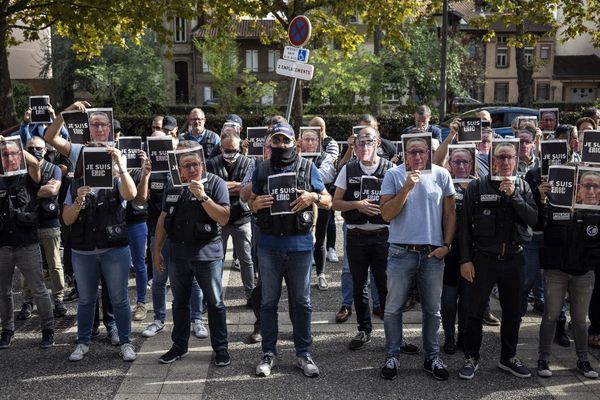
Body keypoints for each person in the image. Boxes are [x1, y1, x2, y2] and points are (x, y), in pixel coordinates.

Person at [248, 123, 331, 378]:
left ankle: (304, 353)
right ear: (269, 144)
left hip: (300, 246)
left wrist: (313, 198)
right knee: (268, 302)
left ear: (294, 142)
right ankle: (268, 353)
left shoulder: (308, 167)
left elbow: (329, 199)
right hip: (269, 246)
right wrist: (255, 203)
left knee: (302, 302)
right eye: (276, 141)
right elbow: (249, 200)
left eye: (285, 141)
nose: (281, 145)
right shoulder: (261, 169)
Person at [379, 132, 456, 381]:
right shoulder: (393, 174)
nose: (418, 156)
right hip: (401, 251)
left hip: (432, 253)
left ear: (429, 152)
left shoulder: (442, 174)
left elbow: (450, 213)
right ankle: (392, 355)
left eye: (422, 151)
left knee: (433, 311)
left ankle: (432, 356)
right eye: (412, 152)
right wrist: (406, 188)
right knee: (393, 308)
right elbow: (386, 214)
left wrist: (447, 244)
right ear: (405, 153)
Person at [458, 141, 538, 380]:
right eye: (500, 157)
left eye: (510, 158)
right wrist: (465, 260)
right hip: (483, 258)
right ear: (492, 159)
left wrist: (515, 196)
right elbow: (463, 229)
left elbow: (533, 219)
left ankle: (508, 357)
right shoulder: (477, 187)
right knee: (474, 311)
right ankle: (471, 357)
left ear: (515, 161)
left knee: (513, 312)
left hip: (514, 259)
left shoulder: (522, 186)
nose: (505, 162)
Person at [153, 141, 231, 367]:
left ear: (203, 163)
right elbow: (163, 220)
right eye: (186, 166)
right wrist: (157, 250)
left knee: (215, 303)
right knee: (179, 303)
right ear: (178, 168)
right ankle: (179, 346)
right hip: (179, 254)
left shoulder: (215, 183)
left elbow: (224, 217)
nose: (192, 170)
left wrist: (203, 197)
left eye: (195, 164)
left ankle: (221, 348)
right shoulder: (172, 185)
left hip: (208, 255)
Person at [63, 144, 138, 362]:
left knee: (119, 299)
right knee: (86, 299)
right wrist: (78, 201)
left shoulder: (115, 181)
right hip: (83, 251)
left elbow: (131, 194)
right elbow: (67, 219)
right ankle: (83, 342)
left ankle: (126, 342)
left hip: (114, 250)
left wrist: (121, 167)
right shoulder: (75, 185)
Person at [142, 131, 205, 339]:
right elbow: (145, 203)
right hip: (160, 234)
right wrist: (146, 175)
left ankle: (197, 319)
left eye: (186, 155)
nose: (183, 159)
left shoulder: (201, 176)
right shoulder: (160, 174)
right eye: (178, 154)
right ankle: (159, 319)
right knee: (159, 278)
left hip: (188, 238)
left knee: (193, 279)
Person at [333, 127, 392, 350]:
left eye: (369, 142)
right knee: (359, 286)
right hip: (356, 235)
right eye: (360, 143)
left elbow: (400, 202)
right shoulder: (348, 169)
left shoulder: (390, 168)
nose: (364, 147)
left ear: (377, 143)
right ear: (355, 147)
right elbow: (335, 203)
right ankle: (364, 329)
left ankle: (392, 331)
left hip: (382, 236)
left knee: (385, 285)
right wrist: (357, 204)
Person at [536, 176, 599, 379]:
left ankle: (583, 360)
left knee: (580, 320)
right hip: (557, 271)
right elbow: (541, 225)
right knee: (551, 315)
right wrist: (543, 200)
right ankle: (543, 359)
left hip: (583, 273)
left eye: (595, 186)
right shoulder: (559, 206)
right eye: (586, 186)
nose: (590, 190)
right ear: (577, 188)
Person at [0, 139, 55, 349]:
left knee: (39, 289)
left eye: (13, 154)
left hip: (27, 244)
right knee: (3, 291)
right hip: (3, 244)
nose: (10, 157)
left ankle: (48, 329)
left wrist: (14, 144)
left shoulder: (28, 177)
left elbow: (36, 164)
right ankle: (7, 329)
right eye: (5, 154)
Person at [19, 137, 66, 319]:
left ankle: (59, 299)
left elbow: (53, 190)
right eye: (30, 148)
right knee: (27, 267)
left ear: (45, 150)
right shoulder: (20, 169)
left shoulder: (53, 168)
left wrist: (28, 193)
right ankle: (27, 301)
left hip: (49, 223)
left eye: (38, 147)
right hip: (26, 224)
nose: (34, 150)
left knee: (55, 264)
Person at [207, 127, 255, 305]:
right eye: (227, 150)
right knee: (215, 260)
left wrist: (226, 187)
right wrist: (236, 186)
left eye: (235, 150)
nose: (231, 153)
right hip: (218, 219)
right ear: (221, 148)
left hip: (242, 218)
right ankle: (214, 297)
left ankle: (250, 296)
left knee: (246, 259)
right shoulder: (211, 163)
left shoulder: (248, 162)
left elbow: (246, 190)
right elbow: (211, 190)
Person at [300, 128, 336, 290]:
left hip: (321, 202)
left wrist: (302, 177)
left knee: (320, 239)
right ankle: (302, 277)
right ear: (300, 141)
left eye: (313, 139)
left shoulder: (325, 157)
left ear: (319, 142)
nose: (309, 143)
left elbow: (327, 176)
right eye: (306, 139)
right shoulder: (295, 157)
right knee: (302, 240)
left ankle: (321, 274)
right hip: (301, 203)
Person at [308, 117, 340, 264]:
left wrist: (306, 174)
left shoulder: (331, 143)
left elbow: (330, 162)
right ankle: (314, 251)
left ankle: (331, 248)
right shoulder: (307, 143)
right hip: (312, 186)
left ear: (320, 129)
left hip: (326, 186)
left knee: (330, 218)